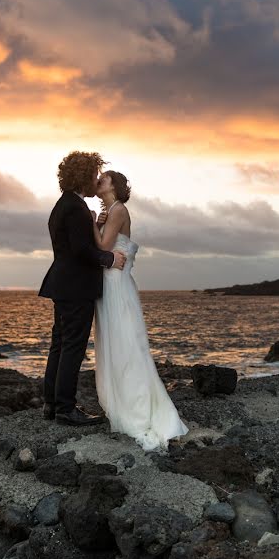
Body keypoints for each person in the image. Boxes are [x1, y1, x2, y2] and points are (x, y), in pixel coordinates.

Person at [91, 170, 189, 450]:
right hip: (109, 284)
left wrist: (91, 226)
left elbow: (104, 247)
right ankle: (122, 405)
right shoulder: (110, 212)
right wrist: (98, 224)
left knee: (125, 347)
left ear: (115, 186)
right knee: (114, 345)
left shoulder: (119, 210)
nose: (100, 180)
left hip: (116, 287)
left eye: (105, 177)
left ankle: (136, 410)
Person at [38, 151, 127, 426]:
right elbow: (81, 251)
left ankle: (52, 405)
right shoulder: (75, 208)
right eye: (92, 174)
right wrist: (110, 258)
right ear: (82, 176)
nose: (95, 179)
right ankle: (65, 408)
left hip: (62, 284)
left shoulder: (62, 205)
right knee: (72, 347)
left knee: (60, 344)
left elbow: (73, 245)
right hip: (76, 287)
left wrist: (94, 228)